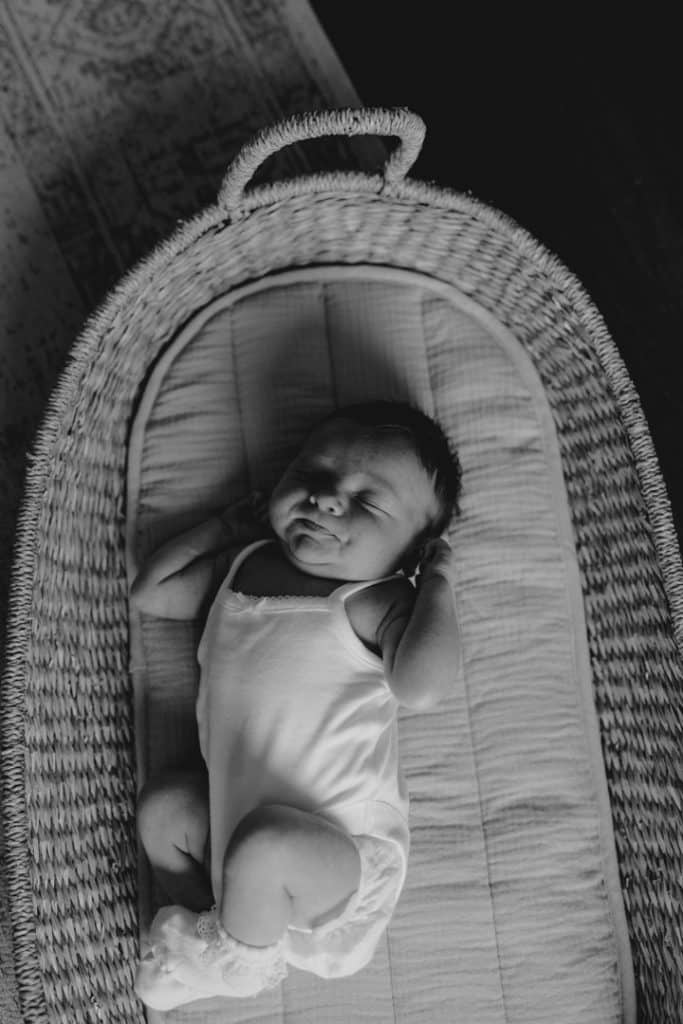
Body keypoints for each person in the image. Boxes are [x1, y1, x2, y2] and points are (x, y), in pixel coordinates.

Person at [131, 399, 463, 1009]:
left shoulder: (376, 600)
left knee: (263, 843)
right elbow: (154, 592)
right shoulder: (243, 567)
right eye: (313, 476)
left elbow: (422, 686)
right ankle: (219, 927)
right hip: (240, 844)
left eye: (367, 502)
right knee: (164, 809)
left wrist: (436, 586)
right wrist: (224, 531)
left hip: (335, 863)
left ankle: (232, 963)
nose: (328, 499)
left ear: (410, 555)